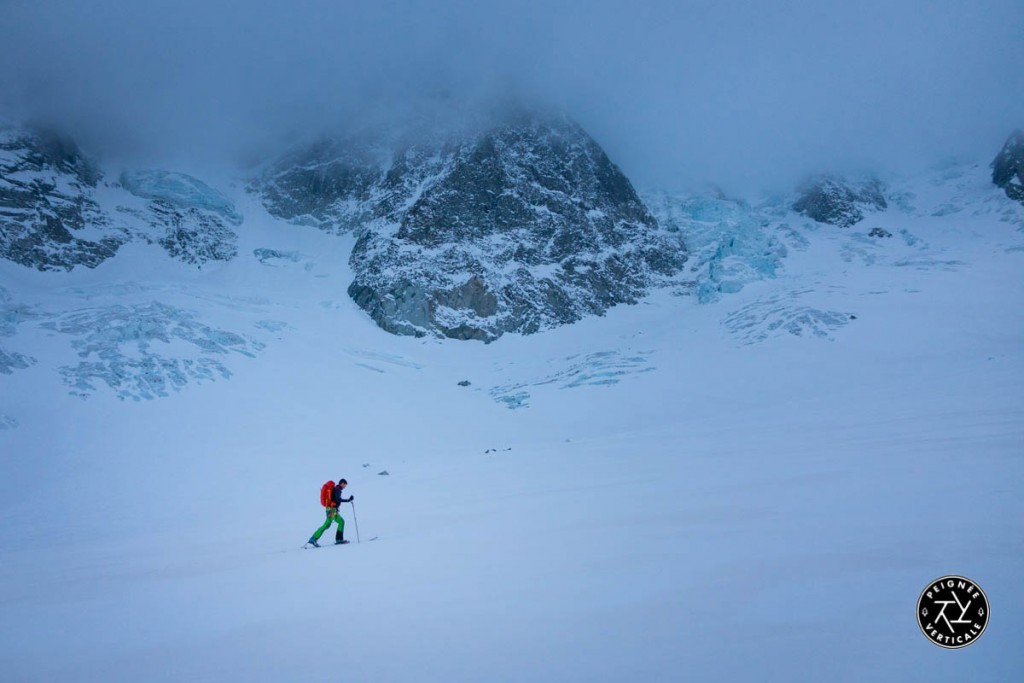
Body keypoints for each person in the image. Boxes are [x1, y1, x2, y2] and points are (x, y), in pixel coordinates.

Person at [307, 479, 354, 547]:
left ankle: (313, 538)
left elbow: (336, 499)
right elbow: (338, 499)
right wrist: (348, 500)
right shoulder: (338, 489)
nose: (345, 487)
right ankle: (339, 539)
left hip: (329, 509)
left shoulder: (335, 489)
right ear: (342, 483)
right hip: (332, 510)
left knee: (326, 525)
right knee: (341, 521)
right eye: (345, 485)